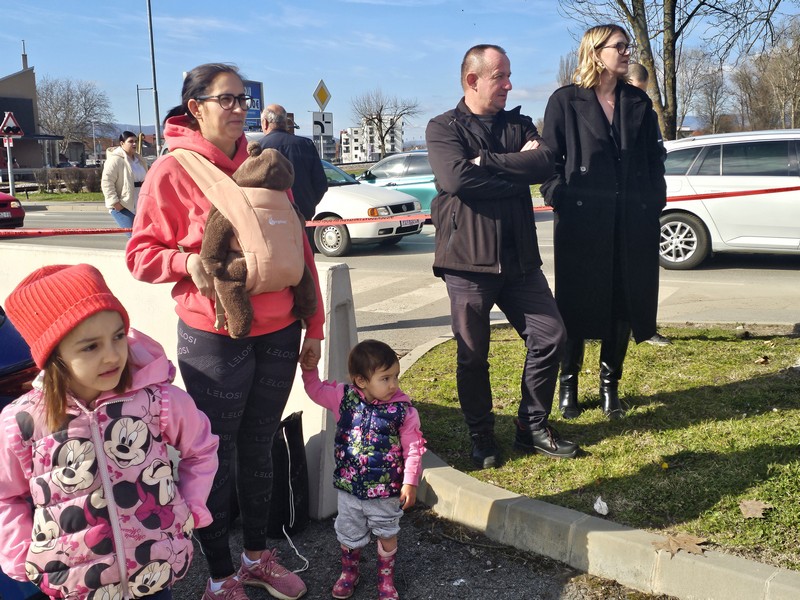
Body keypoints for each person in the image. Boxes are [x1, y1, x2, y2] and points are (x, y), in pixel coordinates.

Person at [126, 63, 324, 600]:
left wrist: (314, 326)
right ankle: (218, 577)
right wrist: (185, 262)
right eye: (227, 99)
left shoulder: (262, 163)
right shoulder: (173, 171)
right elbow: (139, 254)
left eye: (243, 99)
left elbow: (299, 247)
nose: (239, 109)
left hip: (280, 330)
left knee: (260, 445)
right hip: (213, 336)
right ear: (196, 107)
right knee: (212, 454)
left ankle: (256, 557)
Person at [0, 263, 219, 600]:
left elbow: (201, 449)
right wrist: (19, 554)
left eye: (118, 336)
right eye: (91, 347)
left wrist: (189, 508)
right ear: (54, 355)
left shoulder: (158, 400)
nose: (113, 355)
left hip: (154, 572)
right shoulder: (22, 422)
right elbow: (6, 495)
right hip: (75, 583)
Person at [425, 44, 579, 469]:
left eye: (509, 76)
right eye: (500, 77)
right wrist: (514, 177)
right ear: (472, 80)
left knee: (551, 336)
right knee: (473, 354)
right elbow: (457, 180)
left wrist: (486, 162)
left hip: (520, 260)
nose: (509, 85)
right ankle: (482, 436)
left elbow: (545, 163)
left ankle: (532, 426)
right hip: (467, 261)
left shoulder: (519, 123)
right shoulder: (443, 128)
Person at [540, 24, 667, 421]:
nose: (628, 52)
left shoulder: (637, 101)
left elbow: (654, 159)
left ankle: (610, 386)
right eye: (620, 46)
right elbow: (549, 160)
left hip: (631, 222)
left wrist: (653, 202)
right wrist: (559, 196)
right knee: (576, 304)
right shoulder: (565, 101)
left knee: (624, 302)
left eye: (628, 46)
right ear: (596, 52)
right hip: (582, 223)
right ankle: (569, 386)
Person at [300, 339, 426, 600]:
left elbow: (414, 447)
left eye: (396, 376)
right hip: (350, 489)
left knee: (387, 533)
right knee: (349, 534)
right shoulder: (343, 398)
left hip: (386, 492)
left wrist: (410, 481)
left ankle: (386, 580)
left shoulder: (403, 411)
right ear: (361, 381)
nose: (394, 385)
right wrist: (308, 370)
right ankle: (349, 573)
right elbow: (315, 390)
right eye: (385, 378)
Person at [628, 62, 672, 348]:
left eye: (642, 91)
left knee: (644, 272)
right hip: (614, 205)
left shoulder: (647, 113)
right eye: (636, 89)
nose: (639, 96)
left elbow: (657, 155)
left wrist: (656, 197)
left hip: (642, 205)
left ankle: (644, 328)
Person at [260, 104, 328, 248]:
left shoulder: (259, 148)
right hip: (303, 218)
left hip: (270, 221)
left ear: (265, 123)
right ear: (285, 122)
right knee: (304, 258)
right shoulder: (306, 145)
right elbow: (321, 184)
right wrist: (308, 205)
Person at [101, 130, 148, 236]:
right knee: (134, 237)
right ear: (122, 143)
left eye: (136, 141)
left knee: (144, 237)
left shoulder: (140, 160)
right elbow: (107, 182)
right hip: (123, 206)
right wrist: (115, 203)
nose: (134, 144)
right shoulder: (115, 160)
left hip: (140, 204)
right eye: (131, 141)